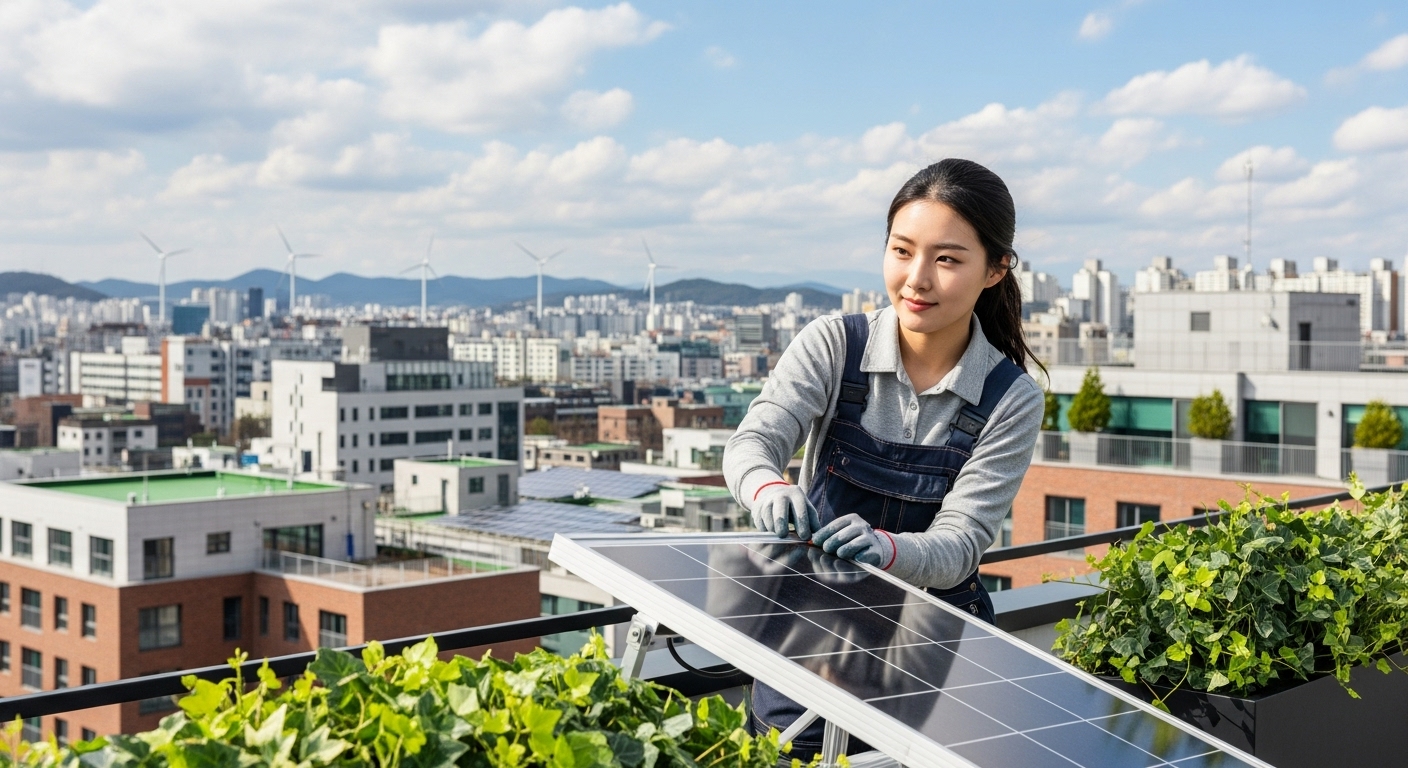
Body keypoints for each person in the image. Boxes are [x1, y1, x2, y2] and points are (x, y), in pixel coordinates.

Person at [722, 158, 1045, 758]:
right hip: (810, 627)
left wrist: (884, 550)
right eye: (902, 251)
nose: (917, 279)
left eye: (947, 259)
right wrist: (769, 488)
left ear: (996, 269)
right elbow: (752, 443)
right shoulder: (833, 344)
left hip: (932, 640)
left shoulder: (1011, 398)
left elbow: (960, 544)